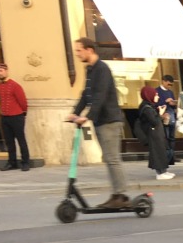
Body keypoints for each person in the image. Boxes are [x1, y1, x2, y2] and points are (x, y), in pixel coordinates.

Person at [66, 37, 129, 209]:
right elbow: (86, 94)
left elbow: (100, 95)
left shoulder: (102, 69)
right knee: (109, 158)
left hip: (109, 120)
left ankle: (121, 195)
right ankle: (117, 194)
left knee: (112, 158)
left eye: (79, 50)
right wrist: (75, 113)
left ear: (89, 50)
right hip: (101, 121)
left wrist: (88, 116)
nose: (77, 53)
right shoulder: (91, 70)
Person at [133, 85, 172, 179]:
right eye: (156, 95)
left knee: (161, 151)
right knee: (157, 152)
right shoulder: (146, 108)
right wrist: (161, 113)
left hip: (156, 133)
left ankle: (164, 171)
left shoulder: (150, 106)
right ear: (149, 95)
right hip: (153, 134)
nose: (157, 97)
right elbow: (154, 121)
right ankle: (160, 173)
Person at [0, 62, 29, 171]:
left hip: (17, 116)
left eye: (1, 71)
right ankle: (12, 162)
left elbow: (23, 101)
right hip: (5, 117)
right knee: (9, 141)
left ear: (6, 71)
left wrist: (23, 113)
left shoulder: (15, 85)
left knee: (21, 140)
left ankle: (25, 162)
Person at [155, 74, 178, 166]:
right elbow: (155, 104)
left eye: (171, 85)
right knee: (166, 136)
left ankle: (172, 156)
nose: (169, 86)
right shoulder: (156, 91)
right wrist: (165, 102)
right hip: (163, 115)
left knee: (172, 137)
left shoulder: (170, 92)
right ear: (163, 81)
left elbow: (173, 105)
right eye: (168, 84)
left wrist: (173, 103)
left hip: (171, 115)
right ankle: (167, 156)